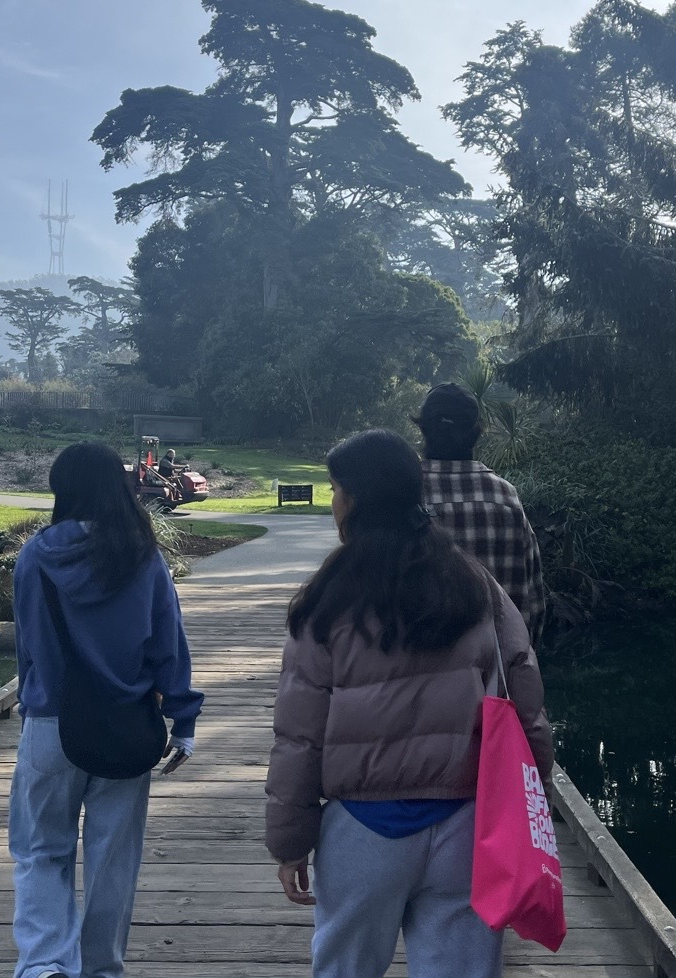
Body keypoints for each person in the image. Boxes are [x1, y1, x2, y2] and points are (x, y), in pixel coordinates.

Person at [265, 429, 553, 978]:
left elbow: (299, 735)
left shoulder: (326, 600)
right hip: (468, 826)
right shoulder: (474, 584)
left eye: (334, 490)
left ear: (353, 499)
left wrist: (290, 842)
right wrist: (531, 788)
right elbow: (526, 691)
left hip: (361, 828)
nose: (332, 502)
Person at [10, 441, 204, 978]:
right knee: (113, 861)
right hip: (127, 727)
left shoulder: (36, 555)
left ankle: (45, 964)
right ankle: (100, 968)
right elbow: (170, 646)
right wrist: (183, 723)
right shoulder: (142, 555)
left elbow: (27, 647)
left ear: (61, 490)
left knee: (41, 851)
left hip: (50, 725)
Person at [415, 382, 548, 641]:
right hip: (500, 670)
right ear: (476, 432)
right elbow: (535, 601)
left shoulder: (403, 496)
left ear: (423, 427)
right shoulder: (506, 496)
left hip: (419, 675)